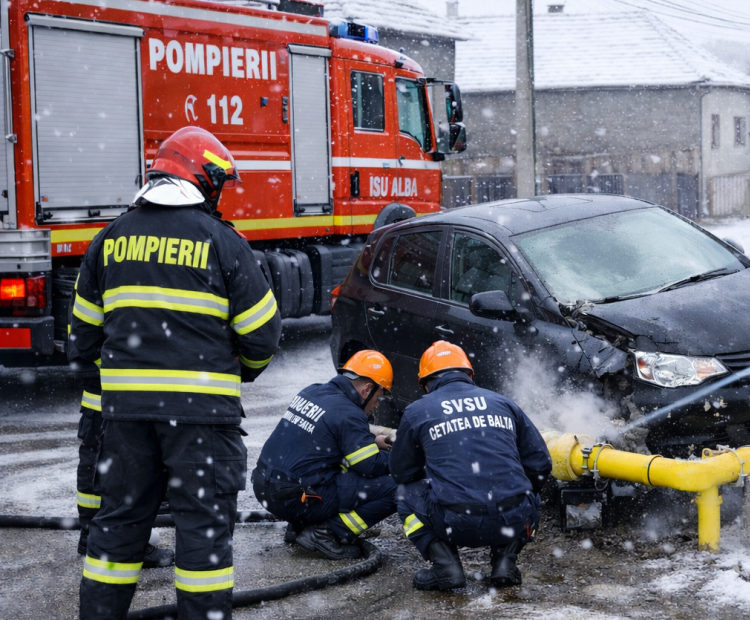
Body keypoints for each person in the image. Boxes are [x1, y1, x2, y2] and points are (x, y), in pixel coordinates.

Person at [70, 126, 282, 620]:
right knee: (202, 529)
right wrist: (240, 372)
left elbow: (80, 343)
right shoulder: (222, 242)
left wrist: (118, 388)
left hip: (125, 420)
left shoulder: (109, 240)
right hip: (203, 420)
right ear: (202, 177)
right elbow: (262, 337)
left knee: (118, 523)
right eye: (217, 182)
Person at [392, 341, 552, 590]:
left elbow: (402, 473)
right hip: (512, 519)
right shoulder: (503, 403)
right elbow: (540, 465)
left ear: (426, 383)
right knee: (530, 493)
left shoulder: (417, 411)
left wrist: (439, 472)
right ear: (469, 375)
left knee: (404, 494)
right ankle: (505, 562)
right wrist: (511, 497)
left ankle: (445, 566)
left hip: (456, 523)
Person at [253, 350, 399, 560]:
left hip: (266, 488)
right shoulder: (349, 413)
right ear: (367, 389)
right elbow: (369, 465)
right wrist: (402, 458)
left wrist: (382, 442)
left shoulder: (312, 392)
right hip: (293, 498)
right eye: (379, 396)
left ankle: (299, 525)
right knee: (396, 488)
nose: (377, 404)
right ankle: (326, 532)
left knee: (325, 463)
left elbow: (335, 438)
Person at [70, 357, 173, 568]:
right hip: (124, 395)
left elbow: (82, 344)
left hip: (105, 390)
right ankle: (121, 544)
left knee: (96, 463)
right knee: (125, 471)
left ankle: (92, 537)